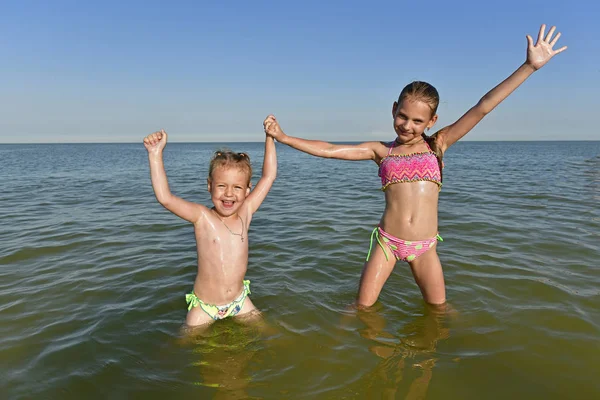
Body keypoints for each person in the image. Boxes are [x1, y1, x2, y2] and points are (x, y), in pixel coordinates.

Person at [263, 24, 566, 307]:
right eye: (402, 116)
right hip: (387, 243)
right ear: (394, 109)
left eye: (417, 121)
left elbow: (483, 107)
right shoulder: (381, 151)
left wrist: (529, 67)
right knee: (362, 309)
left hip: (425, 247)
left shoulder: (438, 144)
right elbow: (329, 150)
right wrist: (285, 137)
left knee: (439, 311)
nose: (407, 125)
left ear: (432, 121)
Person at [143, 129, 277, 326]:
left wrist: (270, 137)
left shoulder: (245, 213)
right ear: (209, 186)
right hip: (205, 306)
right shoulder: (202, 217)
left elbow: (269, 176)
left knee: (267, 333)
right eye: (221, 186)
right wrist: (155, 154)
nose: (229, 194)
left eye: (237, 187)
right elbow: (165, 198)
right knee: (187, 345)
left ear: (248, 190)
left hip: (239, 301)